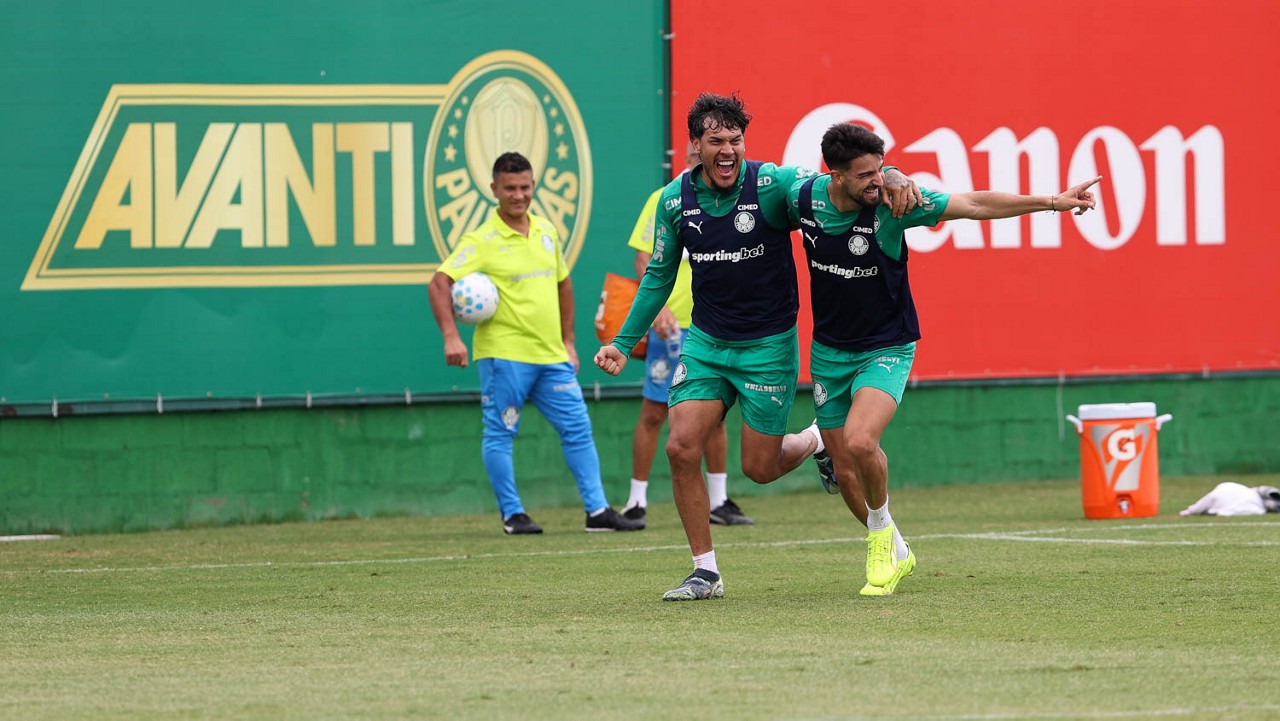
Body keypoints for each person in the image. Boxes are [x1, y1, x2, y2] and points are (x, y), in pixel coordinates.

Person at [594, 93, 919, 601]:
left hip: (767, 346)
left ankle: (813, 442)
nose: (728, 151)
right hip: (705, 342)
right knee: (681, 446)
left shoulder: (772, 185)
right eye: (716, 141)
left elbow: (840, 181)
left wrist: (892, 173)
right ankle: (705, 571)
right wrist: (622, 341)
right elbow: (658, 275)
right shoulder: (674, 201)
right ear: (695, 146)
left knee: (759, 469)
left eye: (735, 140)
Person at [790, 122, 1100, 595]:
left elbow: (975, 203)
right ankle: (895, 545)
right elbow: (758, 187)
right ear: (835, 176)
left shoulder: (897, 205)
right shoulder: (803, 198)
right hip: (829, 352)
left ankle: (877, 540)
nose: (877, 182)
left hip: (887, 346)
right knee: (846, 467)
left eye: (881, 170)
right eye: (866, 175)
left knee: (858, 441)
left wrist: (1053, 201)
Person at [429, 152, 643, 536]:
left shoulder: (546, 231)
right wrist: (450, 337)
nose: (518, 195)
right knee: (501, 432)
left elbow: (564, 283)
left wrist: (570, 342)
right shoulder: (481, 240)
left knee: (578, 429)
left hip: (552, 356)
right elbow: (438, 283)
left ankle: (597, 512)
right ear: (493, 189)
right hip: (504, 355)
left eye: (525, 187)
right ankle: (513, 514)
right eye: (509, 188)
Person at [622, 143, 753, 528]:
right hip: (674, 324)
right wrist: (658, 311)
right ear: (689, 156)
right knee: (654, 410)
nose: (710, 164)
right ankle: (636, 501)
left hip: (715, 324)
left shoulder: (733, 197)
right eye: (700, 156)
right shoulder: (667, 197)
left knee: (715, 415)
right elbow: (644, 257)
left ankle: (719, 499)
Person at [1180, 482, 1280, 516]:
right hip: (1254, 500)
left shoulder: (1224, 489)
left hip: (1251, 497)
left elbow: (1204, 503)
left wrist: (1190, 511)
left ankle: (1270, 501)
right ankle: (1270, 503)